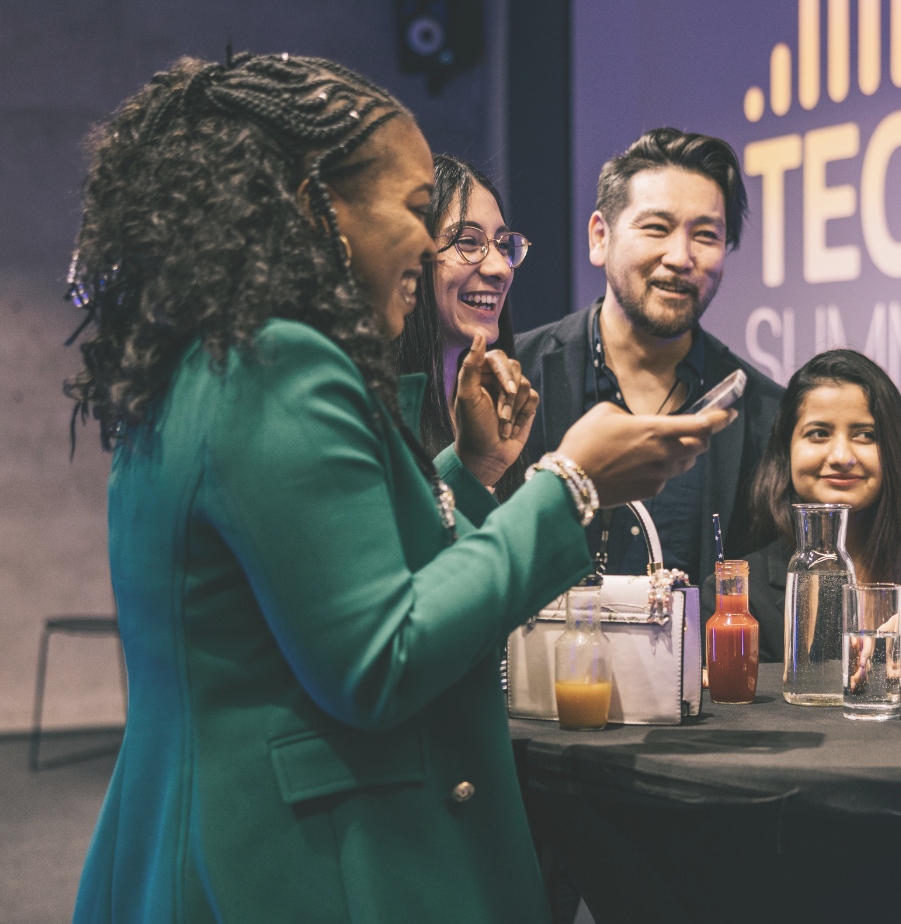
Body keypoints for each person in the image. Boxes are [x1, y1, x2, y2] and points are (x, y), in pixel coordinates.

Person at [64, 53, 727, 924]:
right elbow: (380, 657)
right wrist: (570, 482)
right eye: (418, 211)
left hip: (218, 841)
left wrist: (472, 471)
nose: (430, 243)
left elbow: (328, 581)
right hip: (302, 867)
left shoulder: (215, 356)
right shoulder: (283, 365)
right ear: (311, 205)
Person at [513, 128, 783, 590]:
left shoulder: (764, 414)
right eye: (656, 228)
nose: (681, 257)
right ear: (601, 237)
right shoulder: (517, 372)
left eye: (706, 236)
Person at [735, 349, 901, 662]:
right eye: (818, 434)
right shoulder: (740, 595)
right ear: (786, 450)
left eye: (865, 435)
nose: (841, 456)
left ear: (894, 452)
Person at [396, 154, 533, 498]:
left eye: (504, 245)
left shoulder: (501, 408)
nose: (500, 268)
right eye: (468, 241)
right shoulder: (367, 411)